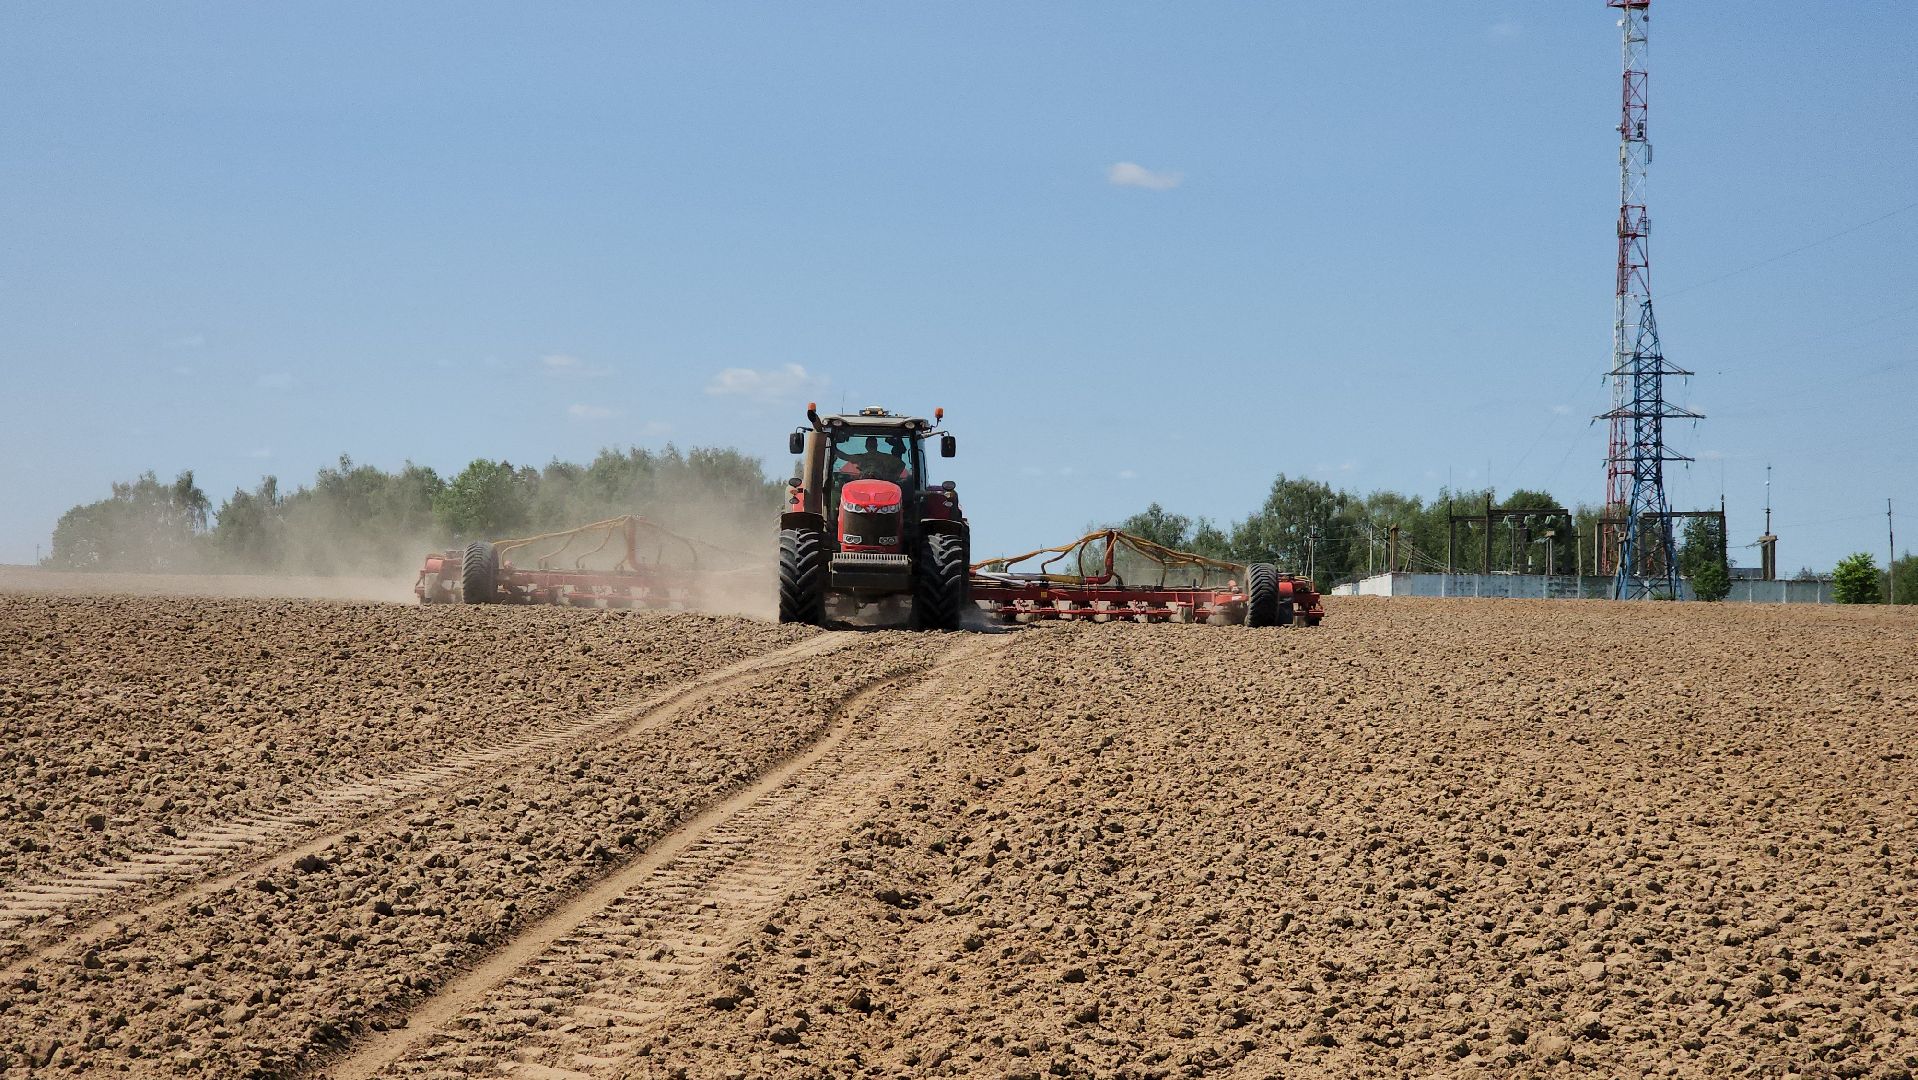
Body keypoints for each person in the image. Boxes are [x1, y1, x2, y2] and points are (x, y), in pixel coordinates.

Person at [838, 436, 910, 484]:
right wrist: (893, 478)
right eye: (870, 444)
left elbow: (845, 456)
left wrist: (892, 478)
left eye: (872, 444)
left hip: (882, 484)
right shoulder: (886, 457)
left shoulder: (861, 458)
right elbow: (901, 464)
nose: (871, 445)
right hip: (866, 483)